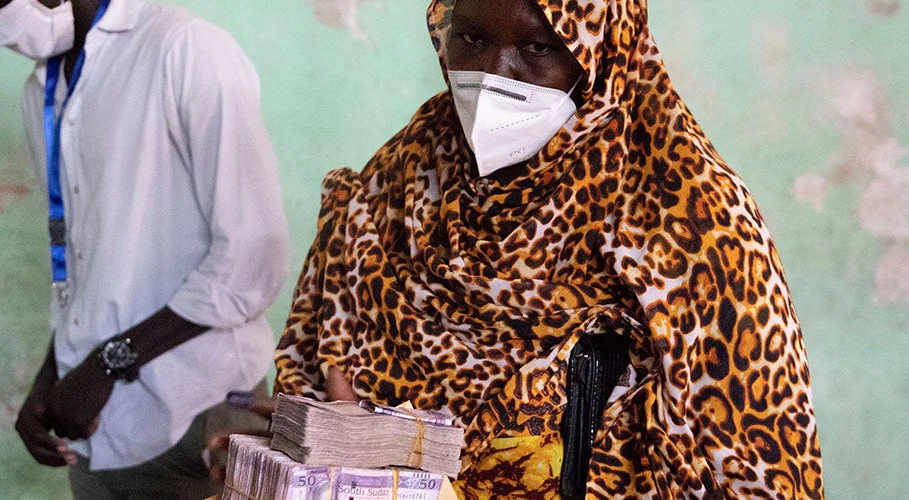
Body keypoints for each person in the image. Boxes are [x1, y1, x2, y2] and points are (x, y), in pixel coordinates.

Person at [271, 0, 823, 497]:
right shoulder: (410, 168)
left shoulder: (689, 219)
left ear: (601, 51)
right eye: (471, 38)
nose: (492, 76)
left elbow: (761, 473)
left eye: (538, 47)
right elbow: (319, 375)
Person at [0, 0, 288, 497]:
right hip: (96, 430)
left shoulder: (185, 49)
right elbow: (87, 271)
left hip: (198, 420)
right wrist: (49, 382)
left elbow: (251, 259)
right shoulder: (43, 92)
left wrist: (107, 364)